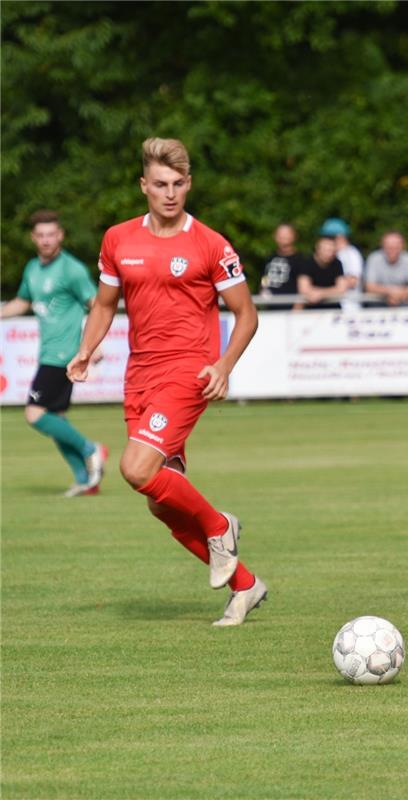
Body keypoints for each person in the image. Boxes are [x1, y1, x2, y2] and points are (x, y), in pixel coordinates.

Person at [66, 137, 267, 626]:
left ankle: (221, 527)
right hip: (139, 377)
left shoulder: (210, 244)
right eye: (160, 184)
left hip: (187, 370)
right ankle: (245, 586)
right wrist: (86, 349)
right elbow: (104, 305)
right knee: (163, 504)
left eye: (178, 184)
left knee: (135, 468)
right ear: (144, 186)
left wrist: (222, 366)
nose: (170, 193)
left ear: (189, 184)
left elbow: (246, 315)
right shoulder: (118, 240)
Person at [1, 210, 108, 496]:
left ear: (60, 235)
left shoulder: (71, 269)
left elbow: (97, 304)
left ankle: (91, 449)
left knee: (34, 414)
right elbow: (22, 303)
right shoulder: (32, 269)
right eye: (41, 235)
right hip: (47, 353)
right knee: (56, 418)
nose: (47, 240)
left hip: (64, 356)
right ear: (33, 238)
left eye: (52, 234)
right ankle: (85, 479)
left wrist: (93, 345)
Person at [364, 230, 408, 306]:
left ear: (403, 246)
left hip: (406, 309)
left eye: (396, 246)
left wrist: (401, 294)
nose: (392, 249)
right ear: (382, 246)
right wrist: (390, 292)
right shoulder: (374, 258)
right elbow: (369, 286)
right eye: (388, 246)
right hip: (378, 310)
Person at [320, 217, 364, 310]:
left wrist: (322, 290)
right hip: (331, 306)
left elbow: (353, 281)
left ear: (340, 237)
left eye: (328, 237)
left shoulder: (352, 253)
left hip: (349, 307)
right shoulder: (331, 254)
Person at [296, 235, 348, 309]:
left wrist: (321, 294)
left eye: (332, 250)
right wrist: (332, 291)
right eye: (326, 250)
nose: (329, 254)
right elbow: (304, 289)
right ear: (317, 249)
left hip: (333, 309)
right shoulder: (306, 263)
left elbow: (342, 289)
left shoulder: (337, 263)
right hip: (311, 310)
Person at [260, 223, 304, 307]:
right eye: (280, 234)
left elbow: (302, 286)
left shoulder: (301, 259)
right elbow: (265, 277)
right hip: (271, 307)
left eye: (286, 234)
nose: (283, 237)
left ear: (294, 236)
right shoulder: (270, 257)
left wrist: (298, 306)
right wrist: (263, 288)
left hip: (290, 308)